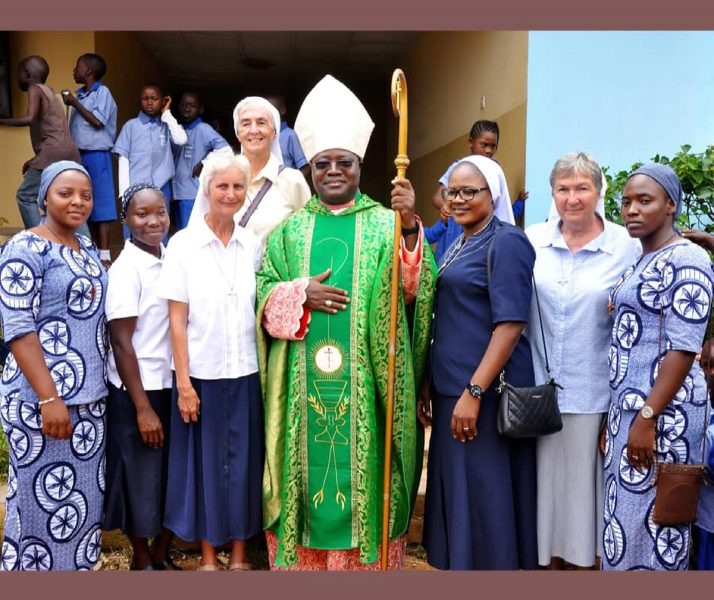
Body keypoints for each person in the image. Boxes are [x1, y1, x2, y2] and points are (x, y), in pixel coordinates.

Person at [256, 74, 436, 570]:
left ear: (360, 166)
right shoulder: (288, 232)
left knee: (364, 484)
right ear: (309, 167)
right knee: (307, 483)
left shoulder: (385, 222)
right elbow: (262, 298)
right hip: (300, 393)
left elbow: (414, 290)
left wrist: (411, 228)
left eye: (345, 163)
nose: (333, 171)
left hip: (369, 391)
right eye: (323, 164)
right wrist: (297, 292)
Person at [524, 152, 641, 570]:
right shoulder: (532, 239)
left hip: (593, 397)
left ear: (598, 192)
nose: (572, 198)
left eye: (582, 188)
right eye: (563, 189)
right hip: (535, 396)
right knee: (543, 506)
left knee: (582, 509)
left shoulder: (626, 248)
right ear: (552, 193)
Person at [420, 154, 537, 570]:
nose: (459, 198)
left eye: (471, 191)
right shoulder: (462, 240)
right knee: (464, 499)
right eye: (453, 191)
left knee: (486, 503)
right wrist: (429, 386)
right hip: (454, 389)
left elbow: (510, 324)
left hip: (483, 395)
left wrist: (474, 391)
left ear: (495, 194)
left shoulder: (506, 241)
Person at [602, 163, 713, 570]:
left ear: (670, 205)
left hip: (666, 418)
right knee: (624, 526)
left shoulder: (689, 260)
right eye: (626, 201)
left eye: (644, 201)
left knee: (656, 528)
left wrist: (647, 418)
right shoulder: (642, 259)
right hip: (631, 414)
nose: (631, 209)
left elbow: (684, 349)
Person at [156, 152, 263, 571]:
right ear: (207, 190)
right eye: (222, 186)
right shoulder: (183, 245)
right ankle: (207, 556)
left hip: (246, 374)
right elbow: (176, 323)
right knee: (203, 467)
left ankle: (238, 555)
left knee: (242, 465)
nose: (231, 194)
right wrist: (184, 384)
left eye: (238, 187)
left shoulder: (252, 244)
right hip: (200, 376)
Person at [0, 161, 108, 571]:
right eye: (66, 193)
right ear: (43, 197)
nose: (78, 201)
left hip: (90, 403)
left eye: (86, 195)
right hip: (41, 403)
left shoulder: (84, 249)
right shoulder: (26, 247)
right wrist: (49, 398)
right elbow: (19, 328)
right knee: (36, 503)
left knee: (80, 506)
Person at [102, 184, 178, 570]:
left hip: (171, 384)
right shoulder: (126, 269)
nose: (153, 221)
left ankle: (162, 556)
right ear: (125, 220)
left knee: (168, 474)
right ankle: (142, 559)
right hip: (137, 390)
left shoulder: (172, 259)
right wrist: (143, 408)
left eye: (160, 212)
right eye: (142, 214)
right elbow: (121, 342)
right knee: (136, 478)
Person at [194, 95, 310, 248]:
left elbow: (307, 237)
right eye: (246, 124)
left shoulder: (292, 181)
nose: (254, 130)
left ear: (274, 131)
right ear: (237, 133)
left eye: (261, 123)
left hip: (274, 272)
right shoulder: (218, 175)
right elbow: (197, 232)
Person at [424, 120, 528, 262]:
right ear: (471, 142)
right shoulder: (458, 166)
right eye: (484, 145)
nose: (489, 150)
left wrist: (520, 202)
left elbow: (501, 208)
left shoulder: (493, 170)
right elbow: (437, 198)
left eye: (493, 146)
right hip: (453, 237)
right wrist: (447, 207)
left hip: (481, 240)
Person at [0, 56, 81, 229]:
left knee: (25, 196)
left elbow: (30, 118)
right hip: (69, 152)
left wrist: (2, 121)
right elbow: (53, 133)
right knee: (70, 200)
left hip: (52, 153)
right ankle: (85, 246)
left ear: (26, 73)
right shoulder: (49, 91)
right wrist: (34, 160)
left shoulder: (34, 89)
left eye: (18, 73)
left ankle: (42, 241)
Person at [63, 53, 118, 267]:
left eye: (77, 66)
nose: (73, 70)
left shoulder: (102, 92)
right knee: (86, 201)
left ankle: (104, 254)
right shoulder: (81, 95)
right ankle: (92, 250)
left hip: (97, 154)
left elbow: (97, 122)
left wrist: (74, 104)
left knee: (102, 203)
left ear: (87, 71)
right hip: (79, 155)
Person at [112, 83, 187, 239]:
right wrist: (125, 191)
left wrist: (167, 113)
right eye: (145, 98)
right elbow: (123, 158)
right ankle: (131, 254)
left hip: (161, 186)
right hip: (135, 188)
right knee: (133, 223)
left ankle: (161, 257)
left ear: (163, 101)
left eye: (154, 99)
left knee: (160, 224)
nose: (149, 102)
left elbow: (181, 140)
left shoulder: (166, 126)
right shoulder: (131, 126)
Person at [172, 91, 231, 230]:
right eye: (184, 104)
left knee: (190, 232)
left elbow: (225, 150)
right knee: (179, 233)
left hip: (191, 192)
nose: (187, 108)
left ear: (200, 109)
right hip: (176, 192)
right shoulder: (177, 129)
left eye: (191, 105)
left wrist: (204, 162)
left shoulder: (203, 129)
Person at [266, 94, 311, 180]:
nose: (269, 115)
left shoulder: (290, 135)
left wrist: (293, 185)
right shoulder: (262, 137)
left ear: (282, 110)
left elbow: (305, 167)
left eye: (273, 110)